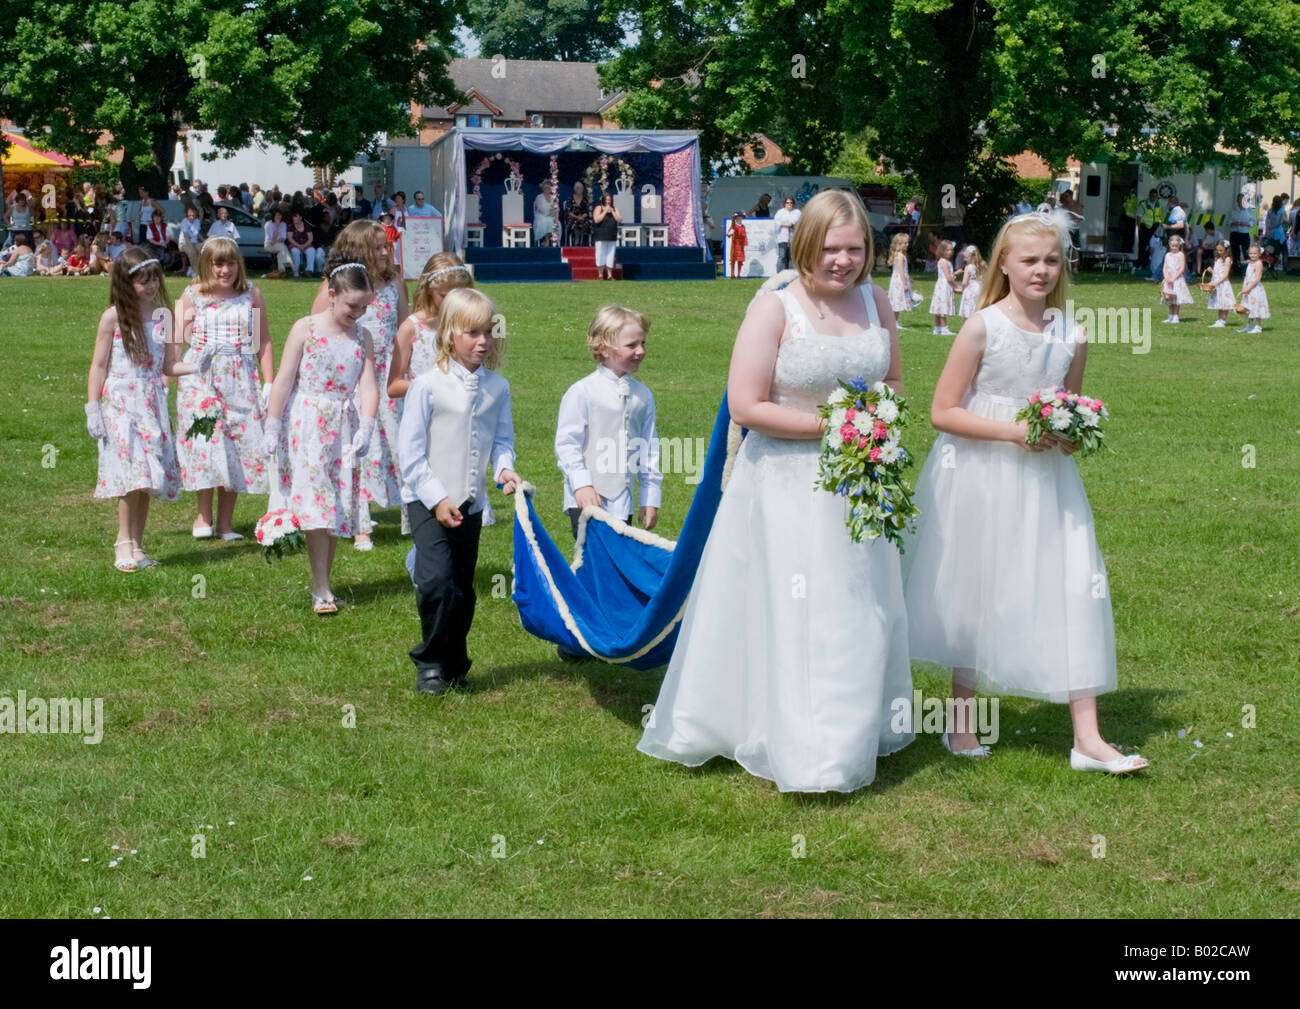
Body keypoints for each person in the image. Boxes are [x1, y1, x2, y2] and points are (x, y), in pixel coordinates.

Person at [638, 190, 913, 793]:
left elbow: (892, 379)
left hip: (858, 481)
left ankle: (851, 729)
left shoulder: (878, 301)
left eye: (855, 248)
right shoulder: (774, 308)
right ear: (805, 244)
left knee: (855, 605)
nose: (842, 261)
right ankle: (790, 736)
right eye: (831, 248)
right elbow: (746, 405)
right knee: (795, 607)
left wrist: (876, 424)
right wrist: (837, 427)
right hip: (785, 480)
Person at [903, 210, 1148, 774]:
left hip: (1048, 481)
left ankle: (1087, 736)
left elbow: (1071, 406)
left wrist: (1070, 432)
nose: (1042, 271)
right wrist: (1015, 431)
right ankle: (961, 723)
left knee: (1072, 582)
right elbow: (943, 412)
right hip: (980, 471)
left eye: (1052, 260)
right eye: (1030, 260)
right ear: (1004, 266)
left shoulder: (1072, 333)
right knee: (976, 582)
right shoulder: (982, 326)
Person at [397, 287, 520, 694]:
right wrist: (437, 498)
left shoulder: (497, 388)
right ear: (450, 334)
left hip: (471, 504)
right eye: (472, 333)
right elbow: (411, 454)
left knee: (462, 588)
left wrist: (504, 470)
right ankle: (430, 663)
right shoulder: (427, 386)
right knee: (435, 581)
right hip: (427, 501)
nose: (483, 341)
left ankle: (455, 663)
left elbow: (501, 441)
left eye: (488, 332)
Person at [262, 254, 379, 613]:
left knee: (335, 505)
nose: (357, 313)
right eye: (352, 305)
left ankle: (325, 583)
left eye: (364, 307)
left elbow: (369, 386)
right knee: (316, 505)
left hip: (342, 427)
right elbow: (284, 380)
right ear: (331, 294)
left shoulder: (363, 336)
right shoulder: (305, 328)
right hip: (308, 423)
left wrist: (367, 425)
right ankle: (321, 588)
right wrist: (272, 423)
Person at [86, 246, 211, 571]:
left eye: (154, 279)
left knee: (147, 478)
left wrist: (197, 364)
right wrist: (92, 407)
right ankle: (122, 542)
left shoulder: (162, 315)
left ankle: (138, 546)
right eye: (143, 281)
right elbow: (99, 365)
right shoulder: (113, 317)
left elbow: (170, 365)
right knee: (131, 475)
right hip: (121, 403)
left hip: (151, 403)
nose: (151, 286)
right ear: (126, 284)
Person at [310, 219, 408, 551]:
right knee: (356, 447)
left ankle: (409, 512)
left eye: (387, 246)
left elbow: (404, 330)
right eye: (378, 247)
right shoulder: (334, 286)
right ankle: (359, 523)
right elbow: (317, 331)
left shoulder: (394, 282)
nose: (385, 252)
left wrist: (405, 371)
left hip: (386, 377)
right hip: (352, 377)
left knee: (392, 447)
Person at [174, 237, 273, 539]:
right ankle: (203, 518)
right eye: (218, 263)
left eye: (230, 263)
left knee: (236, 444)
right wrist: (167, 374)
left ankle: (226, 524)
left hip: (240, 376)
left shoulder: (250, 294)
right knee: (206, 441)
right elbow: (174, 342)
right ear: (207, 264)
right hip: (201, 376)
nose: (225, 269)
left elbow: (263, 341)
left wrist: (269, 382)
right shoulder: (192, 295)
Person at [555, 304, 662, 540]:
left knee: (619, 565)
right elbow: (567, 444)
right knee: (594, 566)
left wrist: (649, 496)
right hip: (587, 500)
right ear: (603, 347)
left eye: (643, 343)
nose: (640, 351)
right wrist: (582, 484)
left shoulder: (643, 395)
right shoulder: (582, 391)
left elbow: (648, 448)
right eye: (631, 345)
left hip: (623, 501)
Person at [886, 231, 918, 329]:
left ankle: (894, 322)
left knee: (898, 302)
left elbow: (904, 270)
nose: (907, 245)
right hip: (899, 281)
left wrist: (909, 278)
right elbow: (901, 271)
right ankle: (893, 322)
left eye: (907, 243)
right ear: (899, 244)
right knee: (897, 302)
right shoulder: (900, 256)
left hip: (899, 279)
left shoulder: (901, 255)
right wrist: (904, 283)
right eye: (905, 243)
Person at [1238, 244, 1270, 334]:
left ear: (1259, 254)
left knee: (1256, 307)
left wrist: (1249, 288)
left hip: (1255, 289)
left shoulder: (1258, 263)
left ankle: (1258, 326)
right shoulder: (1250, 263)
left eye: (1255, 253)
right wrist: (1244, 287)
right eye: (1251, 253)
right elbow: (1246, 277)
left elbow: (1257, 279)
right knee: (1249, 307)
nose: (1252, 255)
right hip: (1248, 288)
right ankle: (1249, 325)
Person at [1161, 235, 1193, 323]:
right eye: (1172, 246)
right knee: (1169, 297)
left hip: (1177, 279)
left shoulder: (1180, 254)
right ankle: (1170, 315)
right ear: (1169, 245)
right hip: (1168, 279)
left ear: (1179, 245)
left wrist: (1174, 278)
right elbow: (1165, 267)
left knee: (1176, 298)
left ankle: (1176, 315)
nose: (1174, 248)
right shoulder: (1167, 255)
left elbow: (1182, 268)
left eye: (1176, 246)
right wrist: (1166, 277)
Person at [929, 239, 957, 334]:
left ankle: (937, 328)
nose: (950, 252)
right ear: (942, 250)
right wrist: (956, 286)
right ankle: (944, 328)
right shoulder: (944, 261)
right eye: (947, 250)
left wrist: (955, 273)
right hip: (945, 286)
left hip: (941, 285)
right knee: (943, 306)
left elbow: (948, 274)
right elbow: (948, 277)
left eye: (951, 250)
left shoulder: (943, 261)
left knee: (939, 306)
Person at [1204, 241, 1235, 328]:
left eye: (1221, 250)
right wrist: (1212, 273)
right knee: (1219, 303)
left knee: (1224, 303)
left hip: (1223, 284)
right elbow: (1217, 272)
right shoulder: (1217, 259)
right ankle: (1219, 319)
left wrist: (1216, 283)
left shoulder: (1228, 259)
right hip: (1217, 283)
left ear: (1226, 250)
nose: (1219, 252)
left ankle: (1223, 320)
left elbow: (1225, 274)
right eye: (1218, 250)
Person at [592, 194, 621, 280]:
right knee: (600, 254)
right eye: (606, 200)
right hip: (601, 234)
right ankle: (600, 274)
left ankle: (609, 275)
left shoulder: (615, 209)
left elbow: (619, 219)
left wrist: (612, 211)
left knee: (610, 255)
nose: (608, 201)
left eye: (609, 200)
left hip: (611, 234)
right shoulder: (598, 208)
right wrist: (605, 211)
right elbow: (597, 220)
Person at [286, 211, 323, 277]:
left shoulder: (306, 226)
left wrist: (304, 245)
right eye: (293, 217)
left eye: (296, 217)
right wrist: (299, 246)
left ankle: (309, 271)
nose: (294, 218)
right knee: (295, 251)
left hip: (306, 244)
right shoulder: (290, 226)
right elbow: (290, 238)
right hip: (295, 244)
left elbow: (311, 238)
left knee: (311, 251)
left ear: (300, 218)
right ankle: (296, 272)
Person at [773, 196, 801, 273]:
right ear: (784, 204)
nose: (789, 204)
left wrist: (787, 224)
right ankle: (779, 274)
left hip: (793, 239)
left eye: (791, 203)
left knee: (792, 258)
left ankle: (792, 275)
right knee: (782, 257)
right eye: (787, 202)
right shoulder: (780, 212)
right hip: (783, 238)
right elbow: (777, 224)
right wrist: (789, 224)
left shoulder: (797, 212)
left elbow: (797, 223)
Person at [957, 244, 985, 319]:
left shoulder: (968, 267)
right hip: (979, 289)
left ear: (972, 257)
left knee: (967, 310)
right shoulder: (981, 266)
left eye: (966, 257)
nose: (964, 259)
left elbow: (964, 282)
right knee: (976, 307)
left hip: (970, 290)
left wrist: (962, 289)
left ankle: (967, 326)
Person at [262, 207, 291, 279]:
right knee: (282, 247)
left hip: (279, 244)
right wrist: (277, 226)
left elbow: (283, 238)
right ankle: (291, 265)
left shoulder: (283, 224)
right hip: (269, 245)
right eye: (277, 215)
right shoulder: (268, 224)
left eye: (280, 215)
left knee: (281, 250)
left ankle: (281, 271)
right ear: (273, 216)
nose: (279, 217)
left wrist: (277, 241)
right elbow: (271, 240)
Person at [563, 181, 591, 246]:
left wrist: (582, 217)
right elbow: (568, 211)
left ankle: (578, 240)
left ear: (583, 189)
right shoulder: (570, 198)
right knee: (575, 223)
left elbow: (587, 211)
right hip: (572, 218)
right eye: (578, 188)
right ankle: (577, 238)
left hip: (583, 218)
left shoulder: (585, 199)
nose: (579, 190)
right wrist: (577, 217)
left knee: (586, 223)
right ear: (575, 189)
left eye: (581, 188)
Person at [178, 206, 203, 277]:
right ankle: (196, 272)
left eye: (193, 215)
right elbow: (186, 237)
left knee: (205, 249)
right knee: (192, 252)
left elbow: (198, 234)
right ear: (187, 215)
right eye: (190, 215)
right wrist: (192, 248)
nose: (191, 217)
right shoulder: (184, 222)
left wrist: (205, 242)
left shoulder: (197, 221)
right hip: (184, 243)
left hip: (195, 242)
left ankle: (200, 269)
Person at [533, 181, 558, 247]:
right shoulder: (539, 197)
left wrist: (554, 213)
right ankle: (546, 240)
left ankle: (547, 240)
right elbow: (541, 209)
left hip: (551, 216)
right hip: (541, 216)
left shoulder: (553, 198)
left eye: (548, 188)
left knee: (555, 222)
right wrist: (550, 212)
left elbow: (557, 209)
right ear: (542, 189)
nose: (547, 189)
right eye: (546, 188)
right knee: (545, 221)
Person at [725, 212, 747, 278]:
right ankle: (732, 274)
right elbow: (728, 234)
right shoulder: (733, 226)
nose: (740, 219)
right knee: (733, 260)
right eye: (739, 217)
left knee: (740, 261)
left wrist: (744, 242)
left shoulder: (743, 226)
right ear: (736, 219)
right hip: (734, 245)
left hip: (740, 245)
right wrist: (731, 232)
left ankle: (739, 275)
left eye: (741, 218)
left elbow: (744, 235)